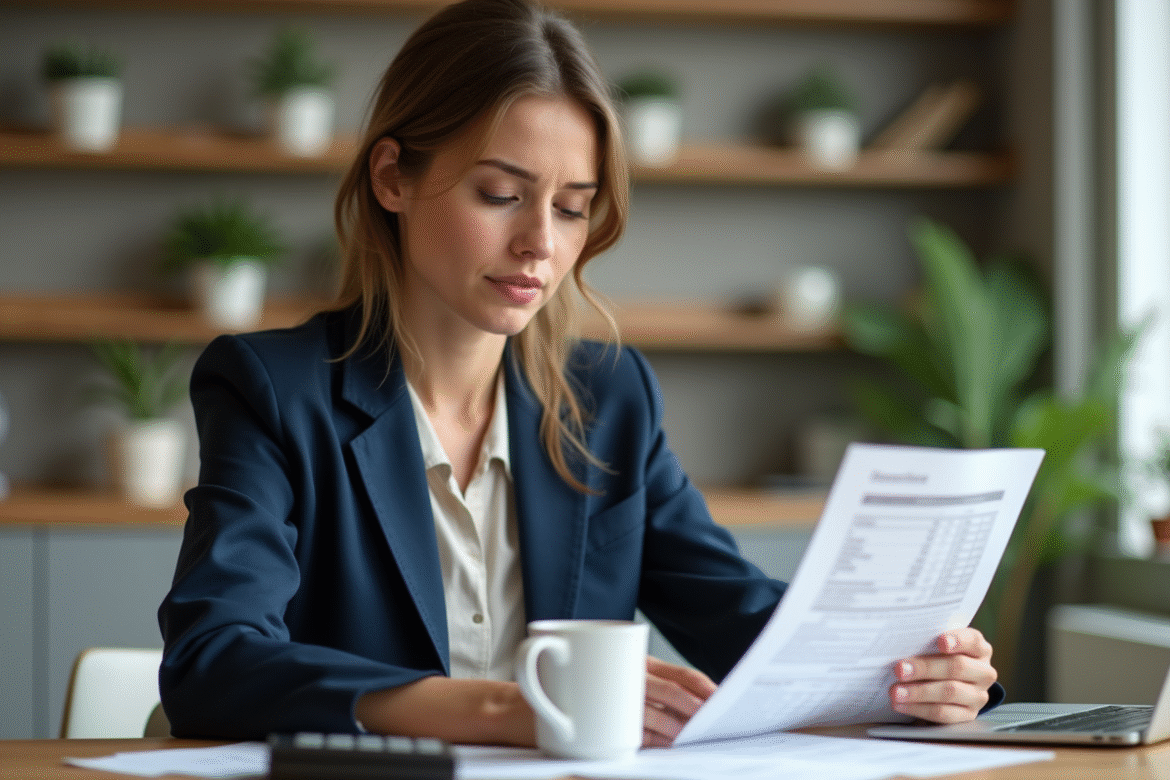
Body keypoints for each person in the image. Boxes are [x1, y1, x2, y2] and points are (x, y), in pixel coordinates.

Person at [158, 0, 1001, 745]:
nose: (542, 244)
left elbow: (738, 617)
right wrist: (509, 709)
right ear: (392, 178)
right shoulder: (273, 389)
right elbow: (215, 661)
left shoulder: (607, 400)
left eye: (571, 208)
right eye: (500, 194)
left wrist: (915, 672)